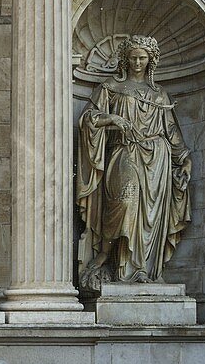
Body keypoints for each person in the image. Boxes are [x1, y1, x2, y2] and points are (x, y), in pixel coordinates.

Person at [77, 35, 192, 291]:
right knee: (124, 205)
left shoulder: (160, 94)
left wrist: (183, 158)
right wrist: (112, 119)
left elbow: (171, 131)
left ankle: (144, 270)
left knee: (150, 215)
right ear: (125, 59)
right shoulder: (110, 88)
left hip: (157, 158)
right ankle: (107, 257)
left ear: (151, 60)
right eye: (133, 57)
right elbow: (87, 120)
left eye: (143, 58)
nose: (138, 62)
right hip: (124, 152)